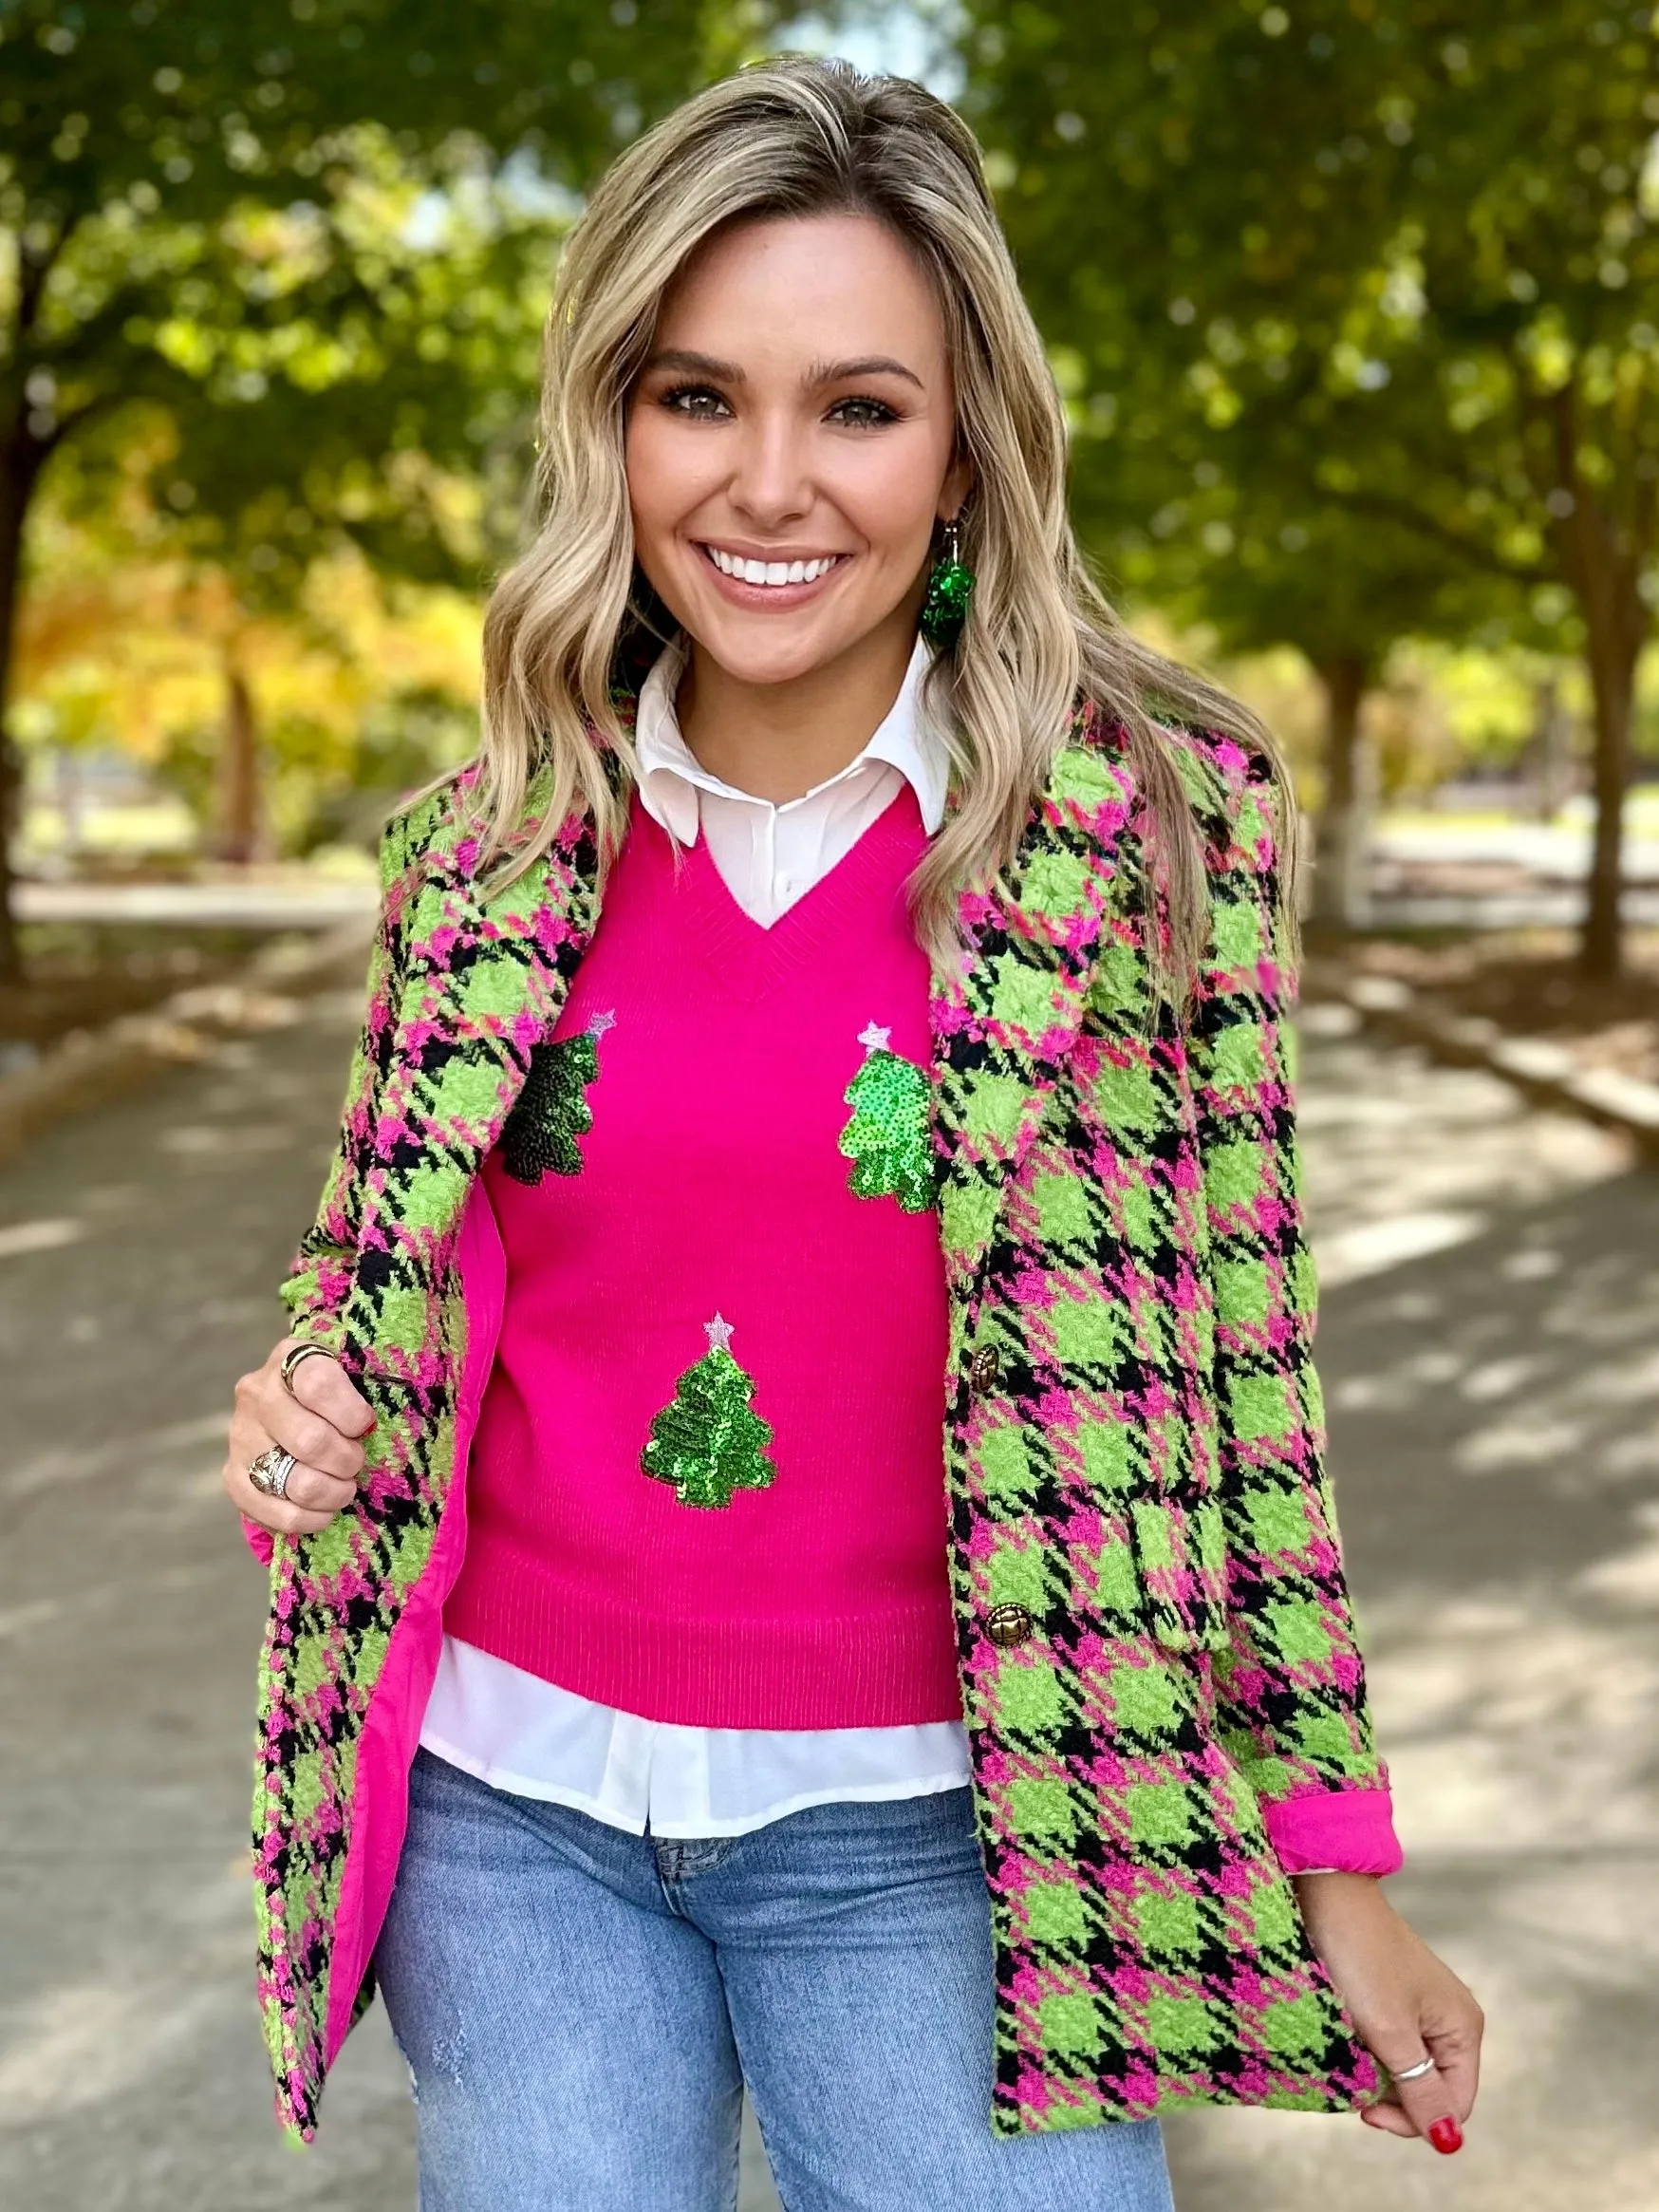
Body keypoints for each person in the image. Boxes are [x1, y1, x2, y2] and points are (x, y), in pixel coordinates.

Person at [223, 55, 1482, 2212]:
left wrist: (1327, 1849)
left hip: (961, 1831)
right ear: (610, 423)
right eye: (699, 395)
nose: (771, 482)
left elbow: (1244, 1377)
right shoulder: (479, 850)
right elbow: (357, 1336)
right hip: (511, 1820)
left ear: (968, 442)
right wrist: (296, 1433)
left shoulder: (1155, 837)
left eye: (859, 406)